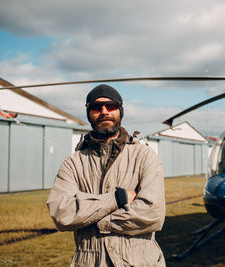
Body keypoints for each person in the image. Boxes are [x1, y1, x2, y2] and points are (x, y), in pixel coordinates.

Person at [47, 84, 166, 267]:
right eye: (96, 107)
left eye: (110, 106)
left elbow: (153, 215)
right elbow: (62, 213)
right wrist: (117, 199)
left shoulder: (144, 156)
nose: (104, 111)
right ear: (89, 113)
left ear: (120, 110)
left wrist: (92, 218)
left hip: (141, 260)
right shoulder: (73, 163)